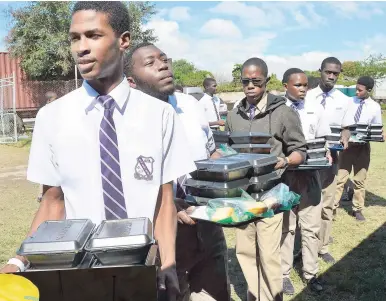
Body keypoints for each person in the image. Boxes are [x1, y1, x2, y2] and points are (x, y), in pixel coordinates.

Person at [0, 3, 196, 300]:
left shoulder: (159, 116)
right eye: (74, 38)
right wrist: (19, 259)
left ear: (123, 40)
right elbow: (53, 203)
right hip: (79, 276)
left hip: (143, 271)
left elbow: (164, 200)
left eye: (93, 35)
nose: (81, 47)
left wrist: (167, 262)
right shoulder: (52, 117)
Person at [124, 42, 230, 301]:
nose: (163, 65)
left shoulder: (190, 105)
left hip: (208, 227)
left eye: (164, 59)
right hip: (162, 238)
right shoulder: (125, 120)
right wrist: (169, 206)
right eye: (150, 63)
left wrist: (238, 177)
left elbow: (210, 152)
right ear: (131, 80)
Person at [225, 58, 307, 301]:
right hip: (242, 195)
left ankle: (272, 297)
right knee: (246, 251)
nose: (250, 86)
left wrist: (284, 161)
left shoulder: (283, 113)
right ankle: (255, 295)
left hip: (272, 192)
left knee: (269, 254)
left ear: (266, 81)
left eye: (256, 81)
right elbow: (229, 149)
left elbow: (299, 150)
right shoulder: (234, 115)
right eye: (245, 81)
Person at [280, 68, 331, 294]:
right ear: (285, 86)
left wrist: (327, 153)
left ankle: (311, 273)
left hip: (311, 175)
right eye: (297, 85)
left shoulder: (315, 108)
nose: (303, 89)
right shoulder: (277, 110)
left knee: (310, 227)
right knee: (287, 227)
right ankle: (283, 273)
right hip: (286, 177)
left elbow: (323, 139)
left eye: (305, 86)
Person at [305, 57, 352, 264]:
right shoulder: (306, 96)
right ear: (320, 71)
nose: (331, 76)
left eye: (336, 73)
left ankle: (322, 247)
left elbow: (346, 127)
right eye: (328, 72)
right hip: (307, 160)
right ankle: (305, 247)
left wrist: (345, 134)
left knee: (327, 203)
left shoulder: (344, 100)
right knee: (306, 205)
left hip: (331, 158)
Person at [334, 76, 382, 221]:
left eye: (360, 90)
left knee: (360, 180)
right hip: (347, 147)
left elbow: (376, 128)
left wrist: (377, 136)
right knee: (339, 179)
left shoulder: (374, 107)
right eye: (356, 88)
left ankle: (357, 209)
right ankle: (332, 209)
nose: (356, 92)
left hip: (362, 148)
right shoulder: (348, 102)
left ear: (369, 90)